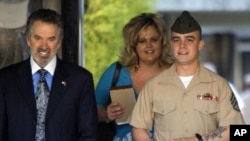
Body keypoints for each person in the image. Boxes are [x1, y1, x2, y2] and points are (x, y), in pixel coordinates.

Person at [130, 11, 245, 141]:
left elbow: (239, 131)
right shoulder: (153, 86)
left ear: (200, 44)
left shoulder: (219, 86)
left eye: (189, 40)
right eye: (176, 40)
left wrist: (200, 139)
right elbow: (138, 128)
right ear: (171, 44)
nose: (182, 45)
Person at [0, 8, 98, 141]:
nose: (44, 46)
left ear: (59, 42)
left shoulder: (80, 80)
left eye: (51, 39)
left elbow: (88, 135)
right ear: (28, 40)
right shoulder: (5, 80)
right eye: (38, 38)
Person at [95, 12, 173, 141]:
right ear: (133, 45)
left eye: (154, 39)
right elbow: (90, 110)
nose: (149, 45)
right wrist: (107, 114)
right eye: (142, 41)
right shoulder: (116, 72)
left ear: (162, 41)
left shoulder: (177, 73)